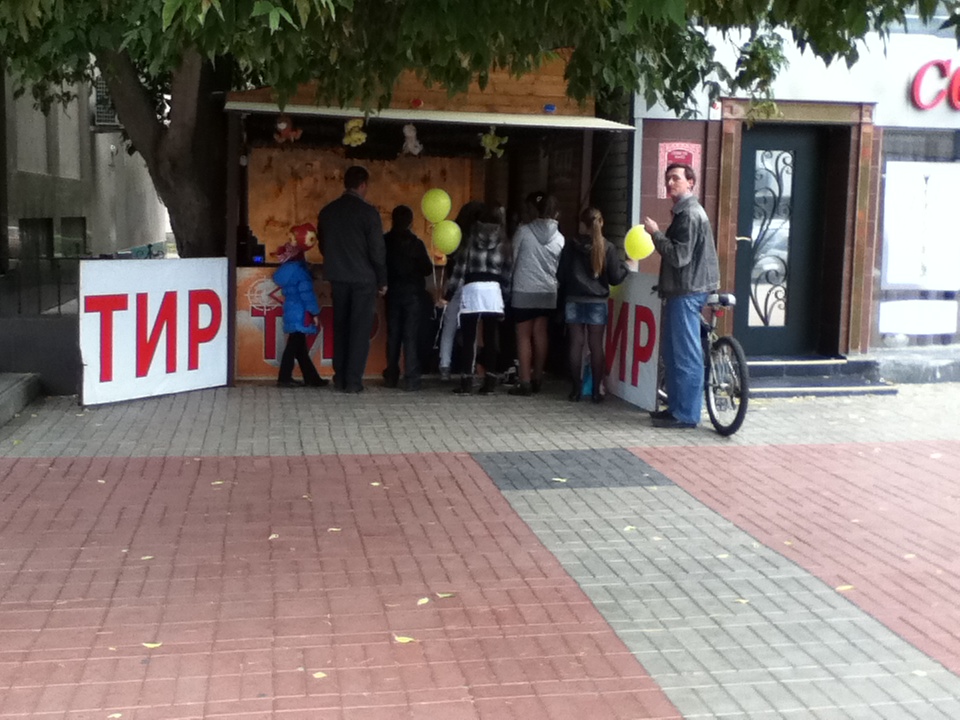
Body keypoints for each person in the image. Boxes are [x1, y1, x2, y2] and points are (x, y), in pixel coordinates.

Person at [644, 163, 720, 429]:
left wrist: (656, 234)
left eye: (675, 178)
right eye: (667, 179)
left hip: (687, 291)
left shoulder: (688, 214)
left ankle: (685, 414)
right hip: (684, 289)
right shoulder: (686, 212)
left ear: (691, 182)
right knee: (674, 352)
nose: (670, 183)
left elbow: (679, 257)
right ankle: (676, 408)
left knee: (684, 354)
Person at [317, 165, 387, 393]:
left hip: (337, 277)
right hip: (363, 280)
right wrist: (382, 279)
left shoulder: (327, 212)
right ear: (363, 185)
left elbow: (323, 246)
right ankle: (353, 381)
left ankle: (339, 377)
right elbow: (377, 251)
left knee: (340, 327)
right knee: (359, 330)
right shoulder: (369, 213)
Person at [557, 207, 632, 402]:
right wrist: (626, 266)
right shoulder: (607, 247)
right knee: (596, 345)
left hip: (574, 299)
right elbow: (615, 278)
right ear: (601, 223)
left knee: (575, 343)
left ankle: (575, 390)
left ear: (583, 224)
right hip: (597, 302)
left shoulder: (570, 245)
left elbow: (560, 275)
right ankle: (597, 392)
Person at [444, 204, 512, 395]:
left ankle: (466, 381)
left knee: (469, 337)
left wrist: (449, 293)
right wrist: (505, 295)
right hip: (493, 289)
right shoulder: (504, 241)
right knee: (490, 337)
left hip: (472, 288)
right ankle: (489, 382)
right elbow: (507, 271)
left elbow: (460, 267)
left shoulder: (470, 237)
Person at [508, 192, 564, 396]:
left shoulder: (523, 232)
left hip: (524, 290)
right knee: (541, 333)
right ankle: (538, 377)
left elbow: (513, 258)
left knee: (523, 336)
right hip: (548, 292)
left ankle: (524, 381)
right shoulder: (560, 238)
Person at [383, 205, 432, 390]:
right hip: (412, 293)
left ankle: (391, 376)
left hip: (392, 292)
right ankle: (411, 378)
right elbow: (427, 269)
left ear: (393, 220)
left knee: (393, 334)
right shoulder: (416, 244)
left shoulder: (385, 242)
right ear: (411, 222)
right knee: (410, 335)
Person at [273, 224, 328, 388]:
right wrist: (314, 312)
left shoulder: (287, 269)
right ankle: (284, 378)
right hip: (301, 312)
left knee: (299, 348)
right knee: (293, 347)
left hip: (291, 309)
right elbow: (307, 295)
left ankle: (312, 378)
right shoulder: (300, 272)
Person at [438, 200, 486, 381]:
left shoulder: (457, 234)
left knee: (449, 324)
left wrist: (447, 293)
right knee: (472, 328)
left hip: (456, 284)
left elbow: (453, 263)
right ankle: (471, 366)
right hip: (475, 285)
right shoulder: (482, 236)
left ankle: (444, 364)